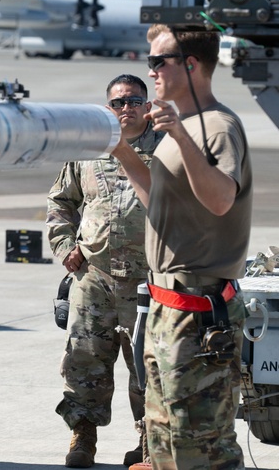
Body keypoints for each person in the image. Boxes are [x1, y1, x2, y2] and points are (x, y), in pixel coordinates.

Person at [111, 24, 252, 470]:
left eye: (158, 62)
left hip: (198, 311)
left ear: (190, 66)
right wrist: (120, 149)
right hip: (166, 307)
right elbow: (161, 200)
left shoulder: (218, 127)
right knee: (165, 442)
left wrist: (181, 137)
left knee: (202, 447)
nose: (150, 71)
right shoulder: (185, 126)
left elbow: (221, 198)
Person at [47, 74, 163, 468]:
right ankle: (83, 437)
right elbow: (60, 201)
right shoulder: (88, 149)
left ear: (147, 107)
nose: (125, 108)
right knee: (84, 361)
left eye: (133, 101)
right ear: (107, 108)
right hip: (94, 278)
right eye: (117, 103)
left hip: (149, 283)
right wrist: (64, 247)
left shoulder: (168, 150)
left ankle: (149, 444)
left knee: (148, 370)